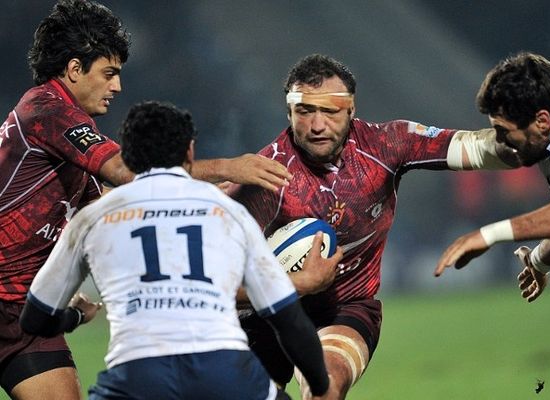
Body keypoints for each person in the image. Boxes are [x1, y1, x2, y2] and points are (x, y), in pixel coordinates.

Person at [0, 1, 290, 399]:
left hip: (22, 316)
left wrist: (195, 196)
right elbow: (130, 172)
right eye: (109, 73)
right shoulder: (46, 109)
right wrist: (227, 166)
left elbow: (113, 201)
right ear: (73, 70)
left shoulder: (66, 134)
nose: (117, 86)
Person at [226, 53, 521, 399]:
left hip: (344, 308)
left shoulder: (386, 144)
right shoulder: (264, 177)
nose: (317, 125)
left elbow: (474, 148)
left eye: (330, 111)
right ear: (289, 112)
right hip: (266, 313)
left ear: (351, 110)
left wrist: (529, 141)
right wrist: (297, 283)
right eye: (305, 111)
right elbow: (215, 285)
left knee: (326, 387)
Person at [19, 100, 341, 400]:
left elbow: (34, 319)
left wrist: (75, 316)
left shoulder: (92, 217)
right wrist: (320, 382)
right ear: (189, 152)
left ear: (127, 158)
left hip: (136, 375)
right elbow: (287, 319)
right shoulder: (226, 210)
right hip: (224, 371)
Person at [434, 52, 550, 303]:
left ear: (542, 120)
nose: (500, 141)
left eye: (503, 131)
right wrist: (538, 262)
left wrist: (490, 234)